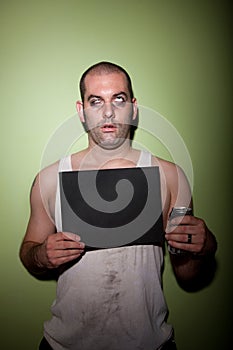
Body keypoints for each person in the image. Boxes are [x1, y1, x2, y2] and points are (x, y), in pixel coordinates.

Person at [19, 61, 217, 350]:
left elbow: (187, 275)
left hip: (149, 344)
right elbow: (29, 251)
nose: (108, 112)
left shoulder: (171, 177)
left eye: (118, 99)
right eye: (96, 101)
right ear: (81, 111)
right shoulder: (49, 180)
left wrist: (205, 246)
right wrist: (42, 255)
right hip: (64, 344)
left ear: (133, 108)